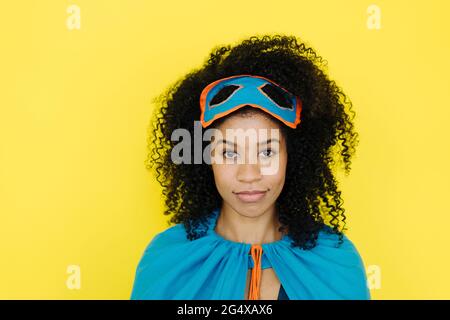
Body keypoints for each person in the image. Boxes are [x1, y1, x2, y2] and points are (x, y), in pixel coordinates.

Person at [130, 34, 370, 300]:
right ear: (205, 157)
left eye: (267, 151)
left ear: (293, 155)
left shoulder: (335, 263)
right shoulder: (167, 261)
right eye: (229, 153)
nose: (249, 175)